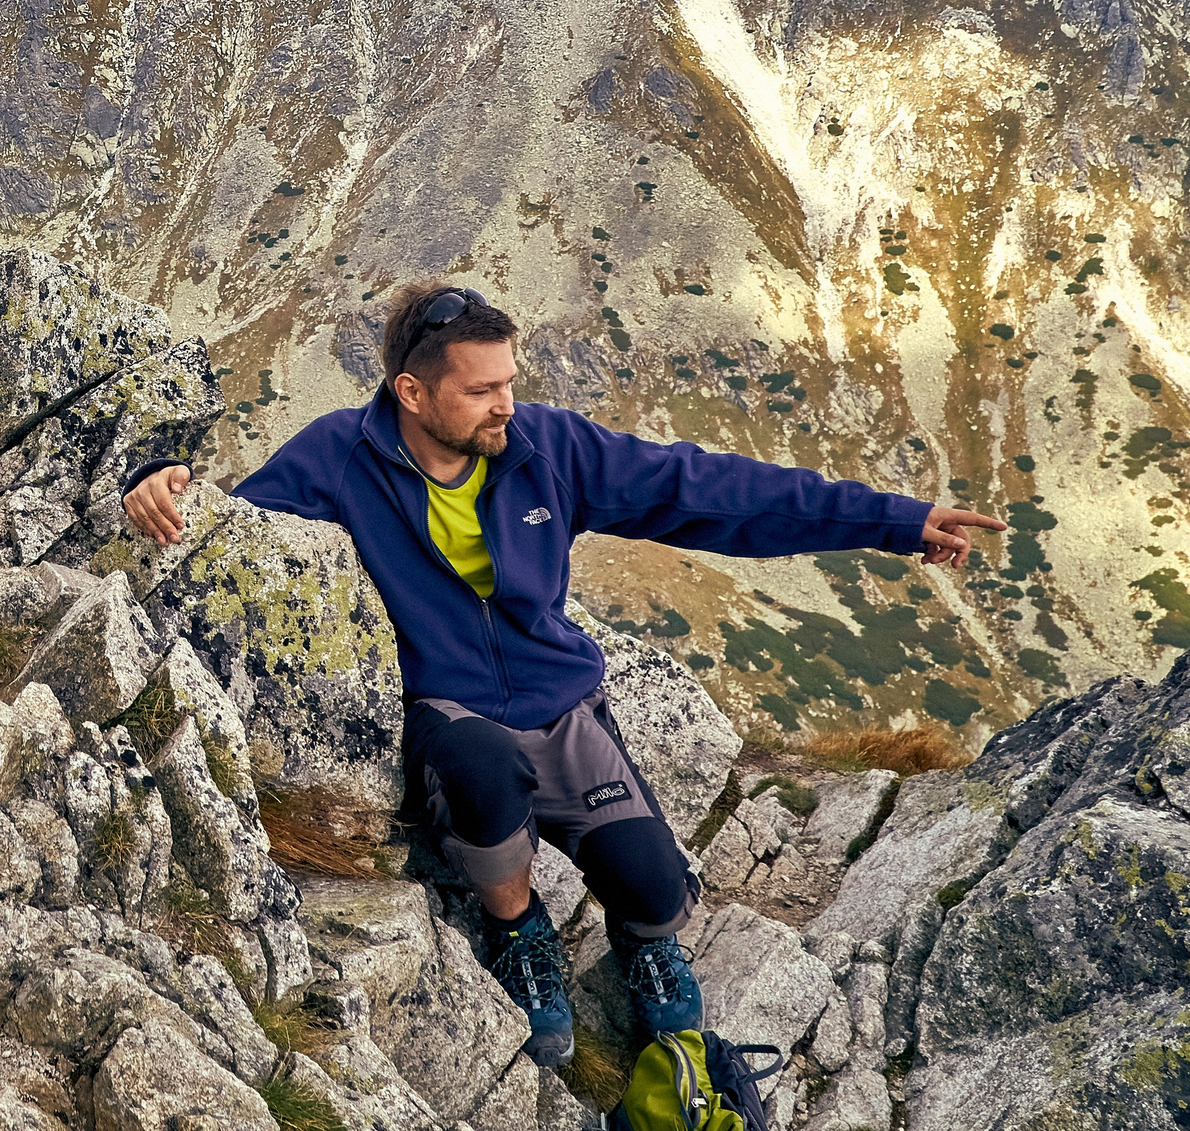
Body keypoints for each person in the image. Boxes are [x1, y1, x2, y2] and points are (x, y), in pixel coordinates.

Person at [120, 284, 1005, 1067]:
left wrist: (896, 520)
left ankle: (644, 945)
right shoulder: (340, 457)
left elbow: (706, 490)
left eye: (510, 380)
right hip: (451, 712)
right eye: (481, 389)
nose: (507, 404)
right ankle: (518, 928)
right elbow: (230, 525)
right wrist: (152, 482)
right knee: (481, 770)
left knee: (655, 888)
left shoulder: (545, 448)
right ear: (412, 392)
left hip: (563, 705)